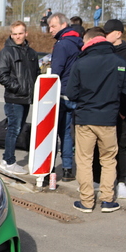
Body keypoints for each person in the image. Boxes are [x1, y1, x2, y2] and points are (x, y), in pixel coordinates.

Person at [66, 27, 126, 213]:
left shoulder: (81, 62)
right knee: (109, 160)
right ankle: (107, 200)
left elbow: (71, 93)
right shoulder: (119, 62)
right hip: (109, 119)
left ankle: (86, 202)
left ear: (88, 41)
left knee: (85, 160)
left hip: (85, 119)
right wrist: (120, 112)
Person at [100, 19, 126, 199]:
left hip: (120, 111)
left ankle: (121, 181)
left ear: (118, 34)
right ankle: (98, 180)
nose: (104, 35)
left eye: (107, 32)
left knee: (120, 146)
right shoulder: (102, 53)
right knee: (100, 147)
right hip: (102, 109)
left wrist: (123, 109)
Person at [0, 21, 41, 175]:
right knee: (14, 130)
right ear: (11, 34)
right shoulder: (6, 52)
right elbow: (2, 76)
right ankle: (9, 162)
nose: (17, 36)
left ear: (26, 33)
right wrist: (19, 88)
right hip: (14, 98)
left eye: (20, 33)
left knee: (18, 129)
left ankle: (6, 159)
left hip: (26, 98)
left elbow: (36, 74)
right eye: (14, 34)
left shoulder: (32, 53)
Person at [48, 12, 83, 181]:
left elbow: (56, 72)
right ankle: (68, 169)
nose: (50, 30)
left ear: (63, 25)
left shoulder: (62, 45)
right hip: (74, 95)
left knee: (52, 133)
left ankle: (49, 169)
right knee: (67, 134)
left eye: (53, 26)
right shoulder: (80, 42)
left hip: (60, 94)